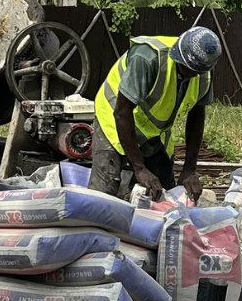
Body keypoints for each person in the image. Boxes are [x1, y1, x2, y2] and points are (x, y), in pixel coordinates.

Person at [90, 28, 222, 201]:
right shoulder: (147, 58)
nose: (191, 75)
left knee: (163, 195)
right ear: (177, 55)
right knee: (104, 194)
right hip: (115, 117)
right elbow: (122, 113)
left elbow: (197, 118)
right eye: (186, 69)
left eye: (195, 71)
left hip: (152, 129)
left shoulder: (203, 71)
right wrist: (139, 168)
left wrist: (189, 169)